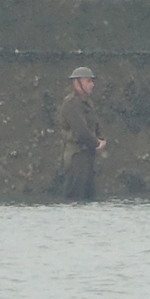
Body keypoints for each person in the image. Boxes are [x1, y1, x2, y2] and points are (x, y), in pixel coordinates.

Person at [57, 66, 106, 201]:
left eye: (92, 81)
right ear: (77, 83)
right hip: (76, 157)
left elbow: (95, 125)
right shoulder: (71, 103)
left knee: (89, 198)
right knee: (74, 197)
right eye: (88, 81)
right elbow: (81, 131)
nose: (92, 85)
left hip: (87, 155)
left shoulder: (86, 103)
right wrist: (97, 144)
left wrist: (102, 140)